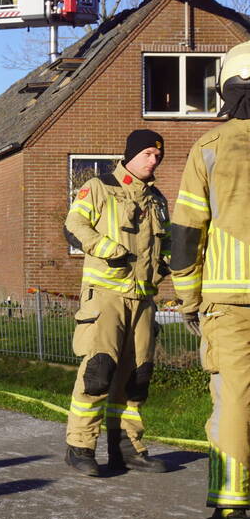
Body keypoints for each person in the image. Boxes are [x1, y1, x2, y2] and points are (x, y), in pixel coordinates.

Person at [170, 40, 250, 519]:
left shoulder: (210, 146)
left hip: (230, 300)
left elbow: (186, 231)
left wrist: (188, 298)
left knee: (234, 400)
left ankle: (232, 506)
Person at [63, 130, 170, 477]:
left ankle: (127, 449)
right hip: (106, 297)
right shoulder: (99, 187)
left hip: (143, 299)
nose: (154, 160)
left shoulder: (157, 200)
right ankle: (80, 448)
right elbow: (74, 224)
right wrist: (106, 248)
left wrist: (167, 264)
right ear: (131, 154)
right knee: (99, 373)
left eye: (158, 156)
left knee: (138, 378)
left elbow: (166, 243)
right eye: (148, 154)